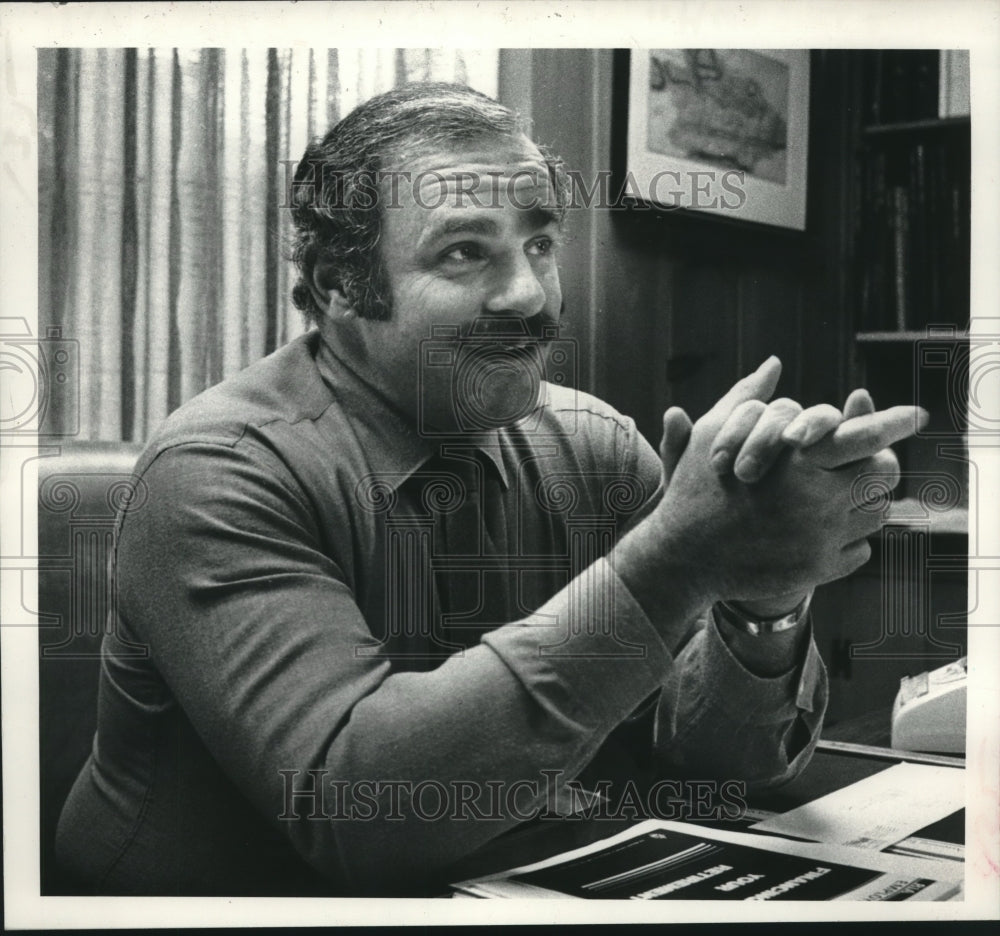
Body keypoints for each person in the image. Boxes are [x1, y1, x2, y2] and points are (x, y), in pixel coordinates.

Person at [56, 83, 921, 896]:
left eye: (539, 244)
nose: (527, 295)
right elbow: (362, 812)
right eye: (466, 252)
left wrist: (760, 604)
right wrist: (677, 562)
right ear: (339, 286)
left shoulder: (594, 446)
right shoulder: (220, 469)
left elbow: (717, 766)